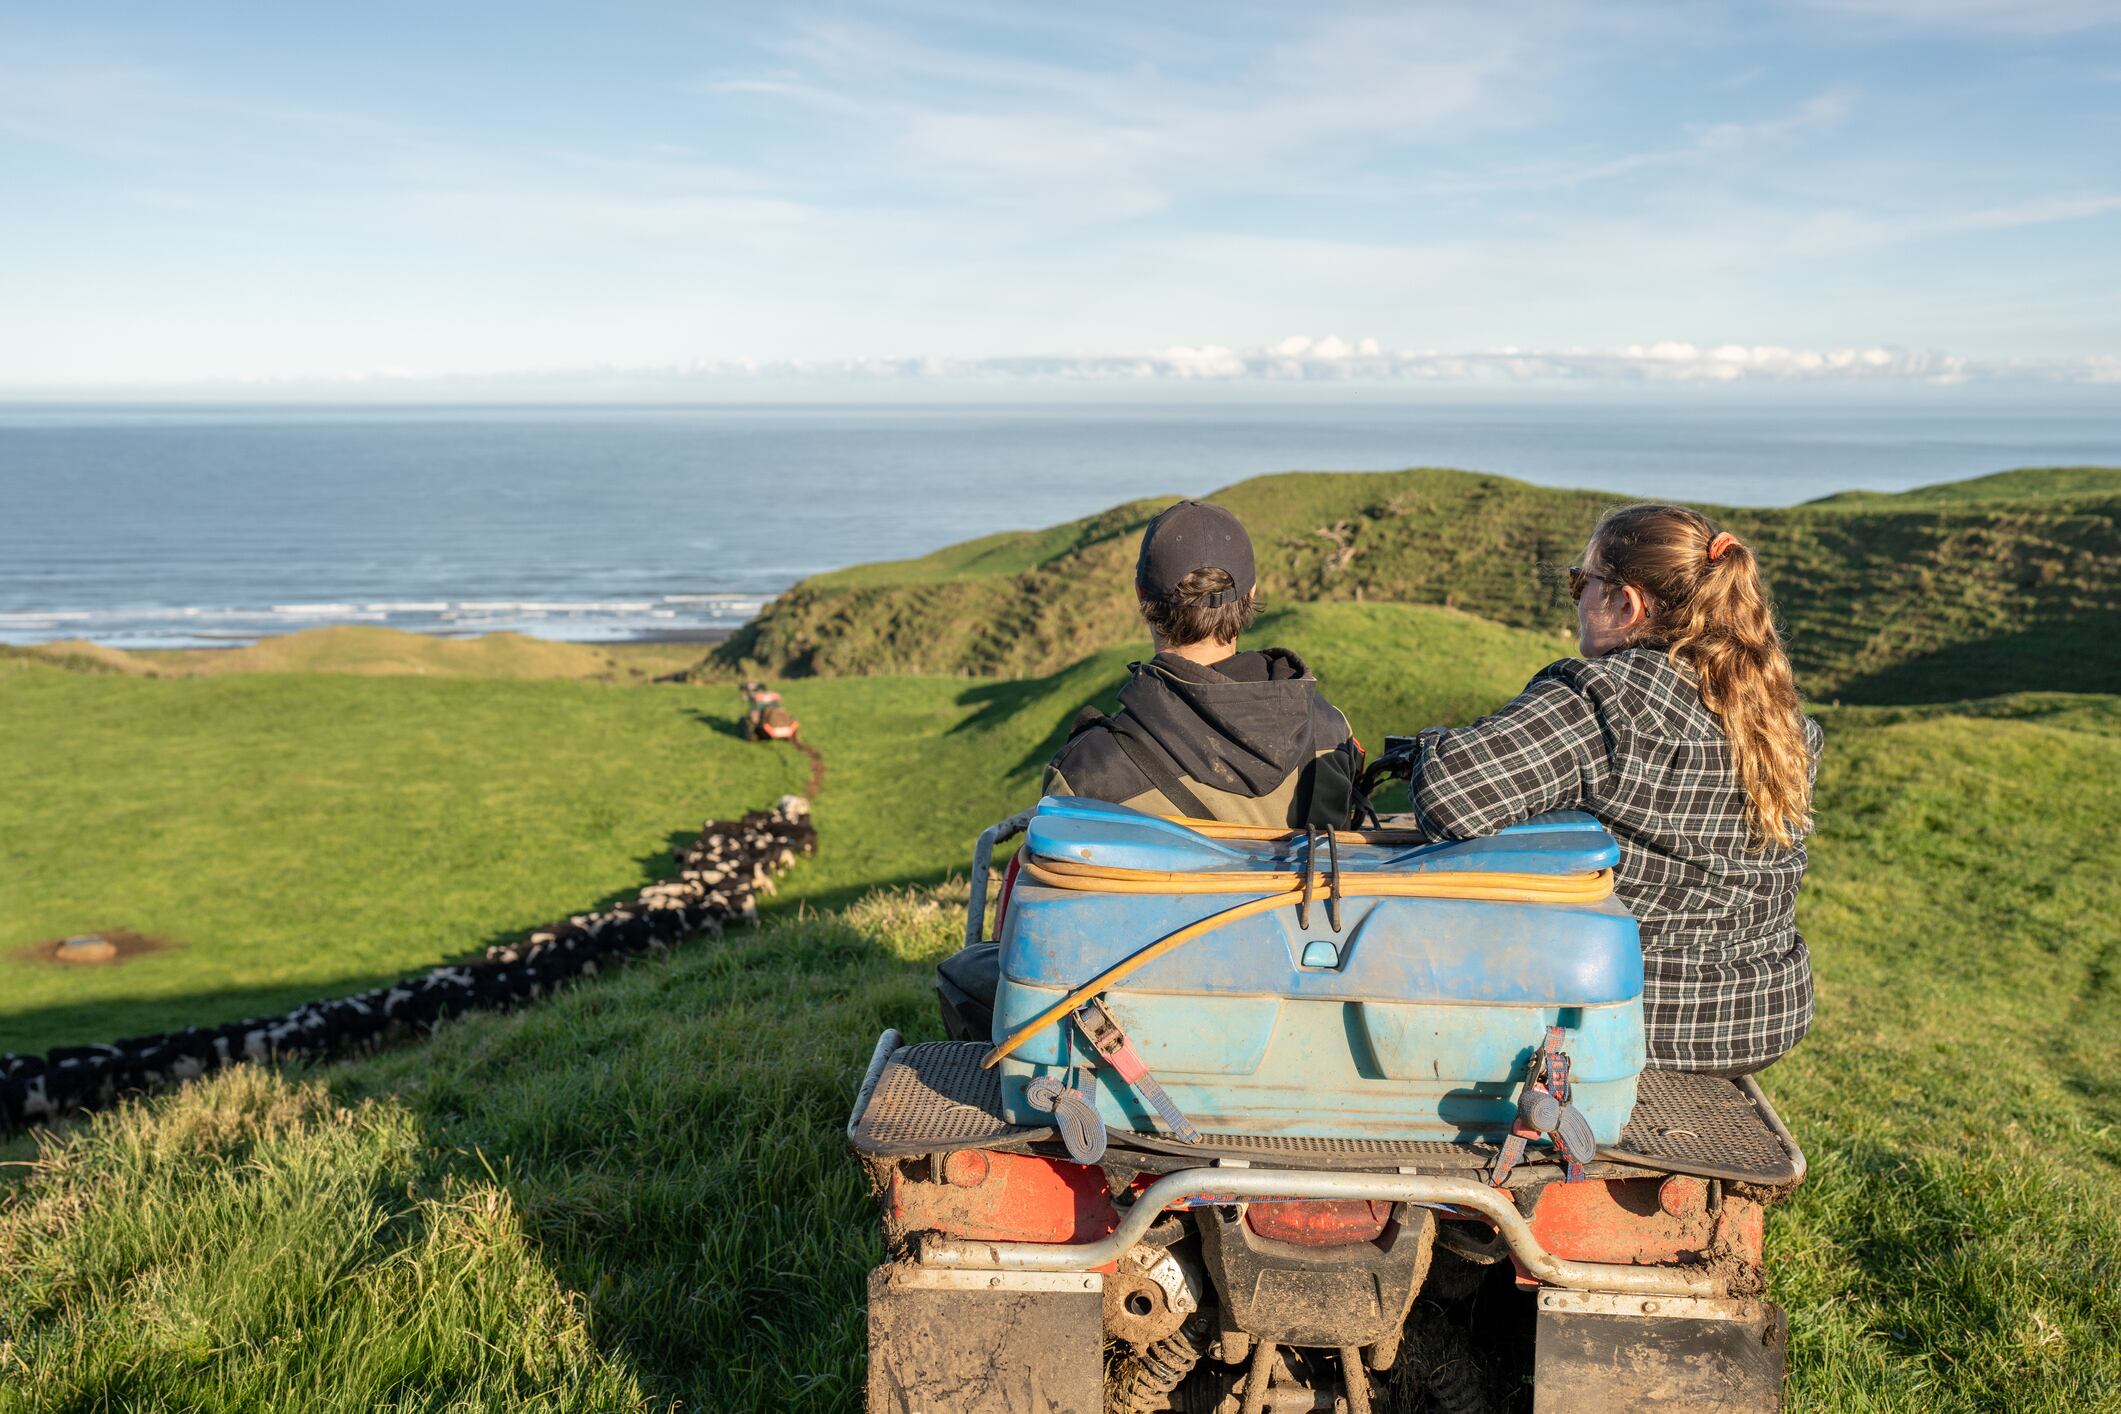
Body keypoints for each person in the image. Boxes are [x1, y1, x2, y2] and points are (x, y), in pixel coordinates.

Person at [1398, 504, 1821, 1077]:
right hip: (1765, 1015)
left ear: (1628, 603)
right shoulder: (1774, 714)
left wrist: (1427, 747)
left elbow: (1452, 795)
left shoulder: (1605, 701)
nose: (1576, 598)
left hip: (1640, 1017)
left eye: (1582, 581)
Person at [934, 499, 1363, 1042]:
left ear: (1142, 598)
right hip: (1300, 1005)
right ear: (1252, 596)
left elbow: (1039, 935)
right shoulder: (1331, 736)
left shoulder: (1089, 770)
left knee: (964, 973)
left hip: (1134, 1031)